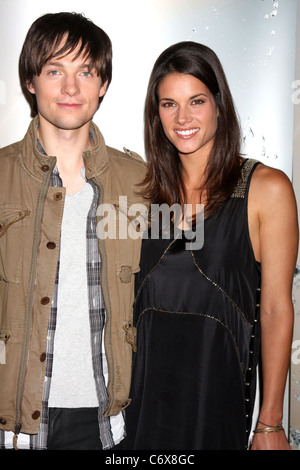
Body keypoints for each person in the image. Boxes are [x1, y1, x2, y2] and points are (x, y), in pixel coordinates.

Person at [124, 41, 299, 450]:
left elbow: (275, 308)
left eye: (196, 101)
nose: (182, 117)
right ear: (156, 115)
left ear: (219, 105)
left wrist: (270, 423)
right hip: (140, 410)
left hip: (216, 408)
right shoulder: (143, 195)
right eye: (168, 104)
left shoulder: (266, 189)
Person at [0, 12, 147, 450]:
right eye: (54, 71)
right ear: (31, 81)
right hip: (15, 420)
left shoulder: (140, 183)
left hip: (106, 420)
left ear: (102, 84)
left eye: (85, 71)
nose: (70, 88)